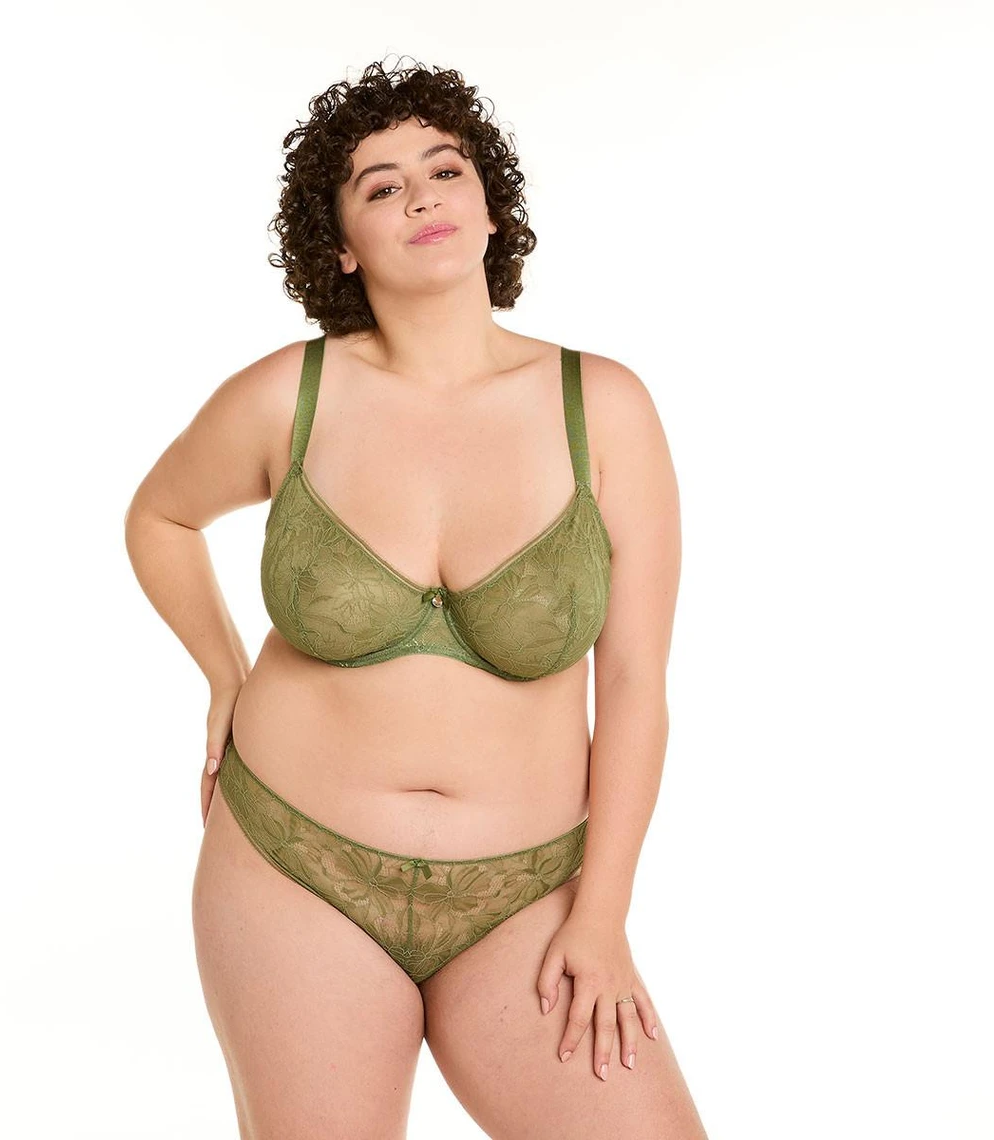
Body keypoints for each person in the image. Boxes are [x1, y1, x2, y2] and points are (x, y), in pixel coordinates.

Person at [125, 57, 707, 1140]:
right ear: (342, 245)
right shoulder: (287, 395)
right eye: (381, 186)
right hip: (293, 868)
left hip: (527, 894)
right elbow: (158, 518)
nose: (422, 197)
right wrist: (224, 674)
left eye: (445, 170)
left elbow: (634, 683)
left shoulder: (606, 407)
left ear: (490, 209)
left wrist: (603, 917)